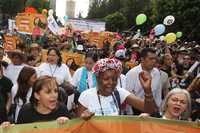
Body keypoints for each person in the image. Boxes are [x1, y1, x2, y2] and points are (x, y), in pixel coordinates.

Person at [78, 58, 157, 119]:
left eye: (115, 79)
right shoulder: (86, 95)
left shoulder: (119, 92)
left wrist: (147, 90)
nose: (111, 82)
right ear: (98, 78)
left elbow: (149, 110)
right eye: (106, 79)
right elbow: (77, 125)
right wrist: (84, 118)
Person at [126, 48, 162, 114]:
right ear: (142, 59)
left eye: (155, 59)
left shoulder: (156, 72)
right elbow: (128, 96)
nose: (154, 61)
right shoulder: (132, 74)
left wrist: (158, 109)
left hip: (153, 109)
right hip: (136, 110)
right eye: (151, 59)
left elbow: (158, 92)